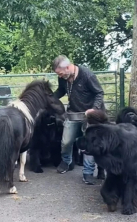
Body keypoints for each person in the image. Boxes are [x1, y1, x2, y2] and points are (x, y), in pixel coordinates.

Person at [52, 55, 106, 184]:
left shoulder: (87, 75)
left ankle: (88, 172)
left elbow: (99, 93)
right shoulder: (63, 78)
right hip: (73, 113)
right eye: (58, 74)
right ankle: (66, 161)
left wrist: (94, 108)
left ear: (68, 67)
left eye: (60, 73)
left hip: (91, 115)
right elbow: (61, 91)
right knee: (66, 141)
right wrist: (50, 98)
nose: (59, 76)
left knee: (90, 144)